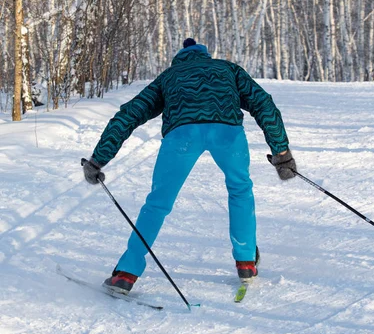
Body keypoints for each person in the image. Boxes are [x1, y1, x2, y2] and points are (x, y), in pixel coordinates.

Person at [83, 38, 296, 294]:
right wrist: (281, 154)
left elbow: (129, 114)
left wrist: (99, 159)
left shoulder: (170, 76)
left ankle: (126, 273)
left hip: (182, 137)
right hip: (227, 133)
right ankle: (246, 261)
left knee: (158, 203)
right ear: (205, 55)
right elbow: (264, 105)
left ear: (180, 57)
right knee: (240, 189)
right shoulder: (228, 69)